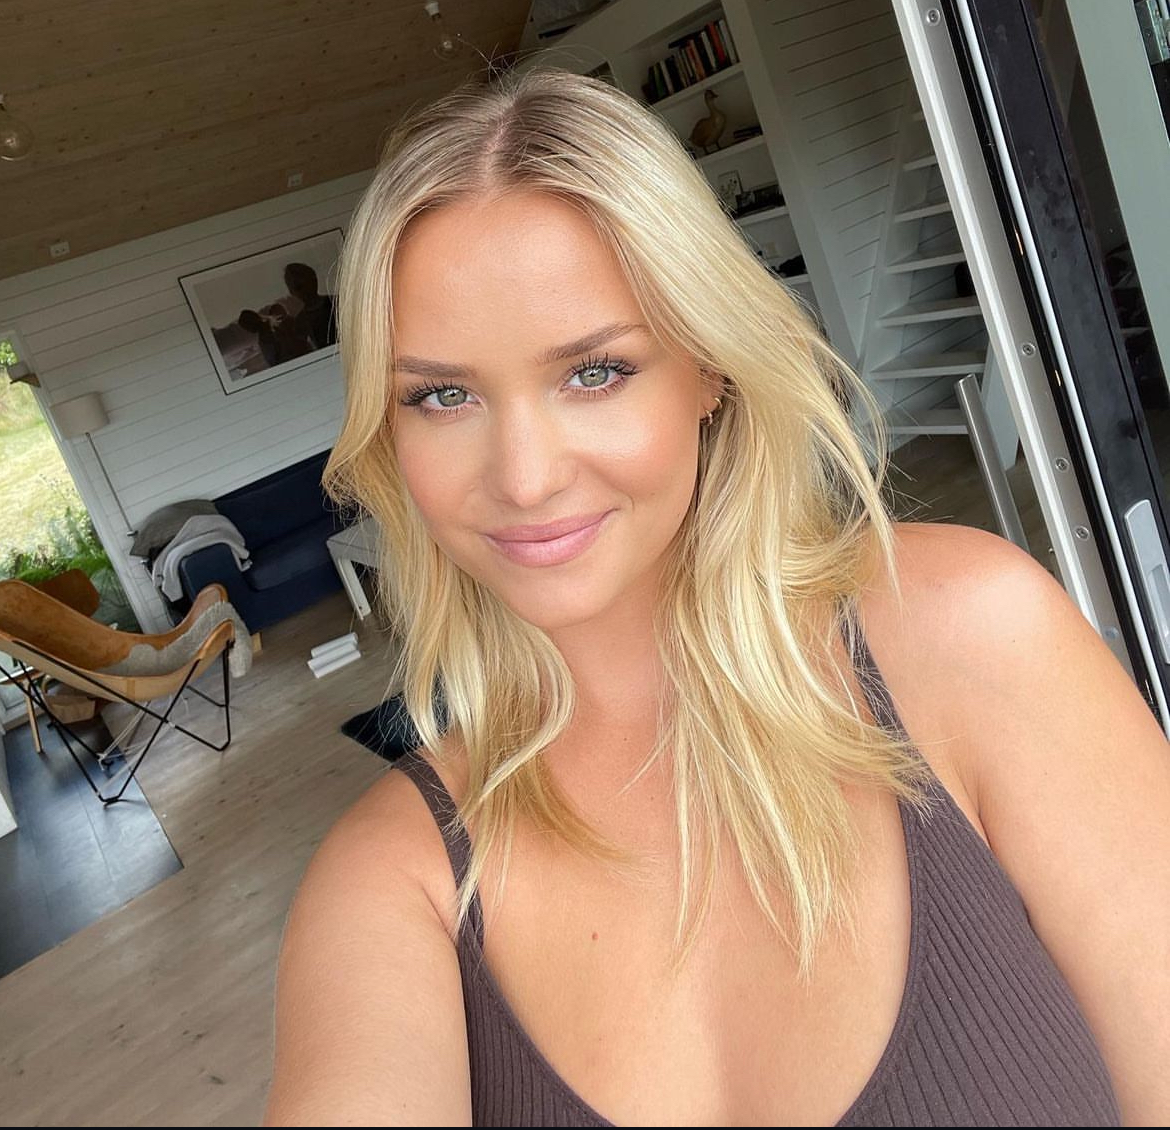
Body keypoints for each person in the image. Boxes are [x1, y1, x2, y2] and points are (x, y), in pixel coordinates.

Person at [263, 67, 1170, 1127]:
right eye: (442, 395)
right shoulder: (392, 880)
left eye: (594, 371)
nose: (524, 477)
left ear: (707, 368)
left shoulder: (972, 634)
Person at [284, 260, 337, 350]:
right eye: (296, 288)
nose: (303, 291)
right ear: (291, 292)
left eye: (301, 285)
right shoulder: (300, 322)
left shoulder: (337, 303)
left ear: (314, 280)